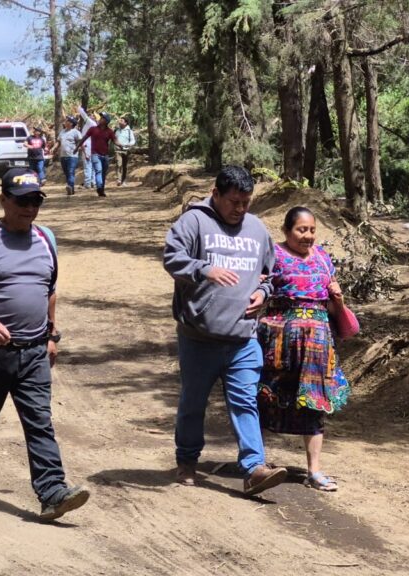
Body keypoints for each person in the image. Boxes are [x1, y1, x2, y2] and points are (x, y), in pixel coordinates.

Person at [0, 168, 90, 521]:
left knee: (40, 422)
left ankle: (52, 491)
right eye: (22, 201)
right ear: (4, 200)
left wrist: (52, 335)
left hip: (34, 352)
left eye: (36, 201)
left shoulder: (46, 240)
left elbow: (50, 290)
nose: (30, 208)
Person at [163, 165, 288, 496]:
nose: (240, 209)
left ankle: (254, 469)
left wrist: (264, 294)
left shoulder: (257, 229)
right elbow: (172, 259)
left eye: (246, 202)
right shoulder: (194, 222)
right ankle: (187, 462)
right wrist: (204, 269)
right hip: (199, 339)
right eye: (234, 201)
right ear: (215, 194)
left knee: (246, 401)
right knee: (193, 403)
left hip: (243, 339)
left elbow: (272, 275)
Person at [257, 207, 350, 492]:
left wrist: (339, 298)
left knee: (314, 401)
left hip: (318, 342)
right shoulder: (274, 255)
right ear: (286, 231)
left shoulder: (322, 258)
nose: (307, 236)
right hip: (279, 340)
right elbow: (260, 291)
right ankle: (255, 463)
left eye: (311, 230)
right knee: (265, 396)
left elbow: (333, 307)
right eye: (301, 229)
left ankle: (315, 471)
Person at [76, 112, 115, 197]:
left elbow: (115, 141)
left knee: (103, 173)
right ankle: (100, 187)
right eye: (100, 118)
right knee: (98, 171)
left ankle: (102, 189)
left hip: (105, 155)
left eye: (102, 118)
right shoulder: (93, 129)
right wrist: (77, 148)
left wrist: (121, 145)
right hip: (95, 154)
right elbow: (83, 139)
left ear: (106, 121)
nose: (100, 119)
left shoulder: (110, 131)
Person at [53, 117, 82, 196]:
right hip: (63, 156)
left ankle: (70, 186)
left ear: (71, 123)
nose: (65, 122)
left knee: (71, 171)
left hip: (72, 156)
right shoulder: (62, 132)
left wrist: (79, 148)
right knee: (67, 173)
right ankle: (71, 188)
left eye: (67, 121)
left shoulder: (76, 132)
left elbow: (80, 142)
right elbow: (58, 142)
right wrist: (54, 148)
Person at [77, 106, 97, 189]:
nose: (91, 116)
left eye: (93, 115)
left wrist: (79, 108)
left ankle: (88, 183)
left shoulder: (91, 123)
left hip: (87, 146)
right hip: (92, 145)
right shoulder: (94, 124)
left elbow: (84, 115)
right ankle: (93, 182)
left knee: (87, 165)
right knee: (92, 165)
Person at [114, 116, 136, 186]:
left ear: (125, 123)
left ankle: (124, 180)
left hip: (126, 150)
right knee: (118, 164)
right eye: (120, 121)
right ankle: (119, 179)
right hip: (118, 150)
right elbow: (114, 139)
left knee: (124, 166)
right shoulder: (117, 130)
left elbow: (133, 141)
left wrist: (128, 145)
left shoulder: (129, 131)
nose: (120, 122)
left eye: (121, 121)